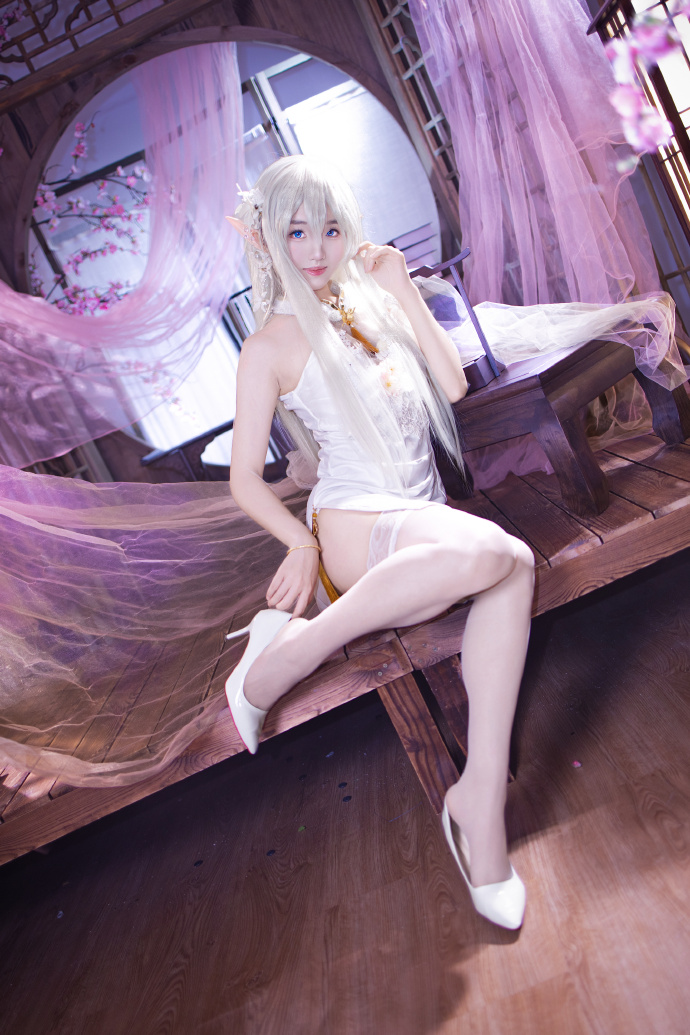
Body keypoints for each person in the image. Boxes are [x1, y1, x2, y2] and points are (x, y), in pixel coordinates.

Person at [225, 155, 534, 930]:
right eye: (297, 232)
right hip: (353, 524)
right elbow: (244, 480)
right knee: (497, 555)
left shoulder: (372, 302)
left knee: (510, 562)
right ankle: (292, 657)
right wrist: (298, 544)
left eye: (331, 229)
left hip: (420, 514)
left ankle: (477, 793)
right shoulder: (269, 345)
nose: (317, 248)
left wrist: (401, 288)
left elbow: (453, 386)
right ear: (268, 239)